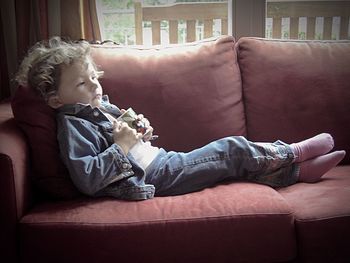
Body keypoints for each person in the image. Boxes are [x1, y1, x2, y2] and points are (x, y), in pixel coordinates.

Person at [15, 37, 346, 200]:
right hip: (154, 177)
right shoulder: (72, 127)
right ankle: (291, 152)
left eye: (93, 76)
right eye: (82, 83)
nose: (94, 85)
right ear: (55, 99)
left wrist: (140, 133)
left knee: (230, 172)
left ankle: (299, 173)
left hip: (161, 161)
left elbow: (133, 143)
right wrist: (123, 145)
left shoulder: (99, 107)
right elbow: (87, 179)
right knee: (230, 150)